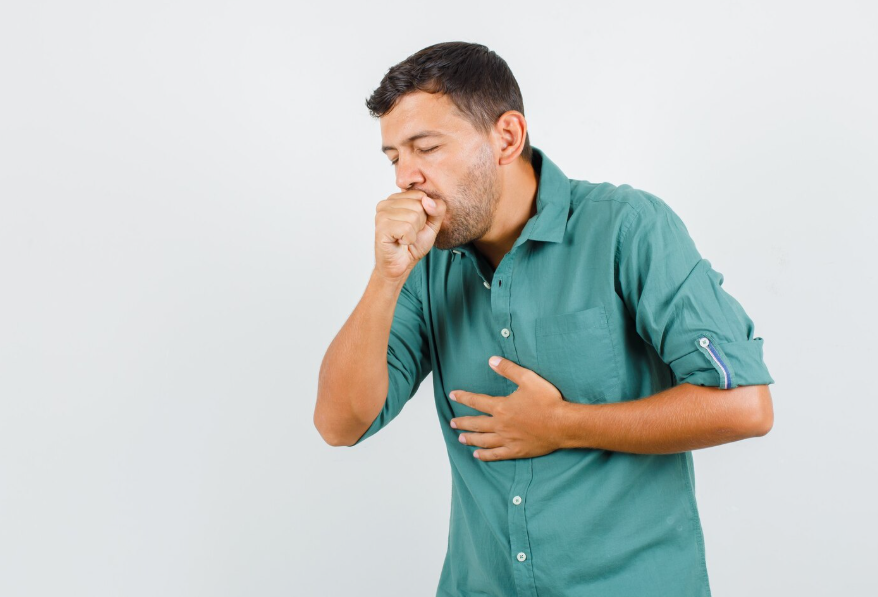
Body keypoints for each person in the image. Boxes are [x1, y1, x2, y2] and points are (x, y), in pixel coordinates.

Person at [313, 41, 775, 597]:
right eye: (394, 157)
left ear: (506, 137)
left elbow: (746, 406)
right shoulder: (422, 262)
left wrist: (561, 423)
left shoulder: (627, 228)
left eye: (426, 147)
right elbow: (339, 425)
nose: (405, 177)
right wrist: (387, 276)